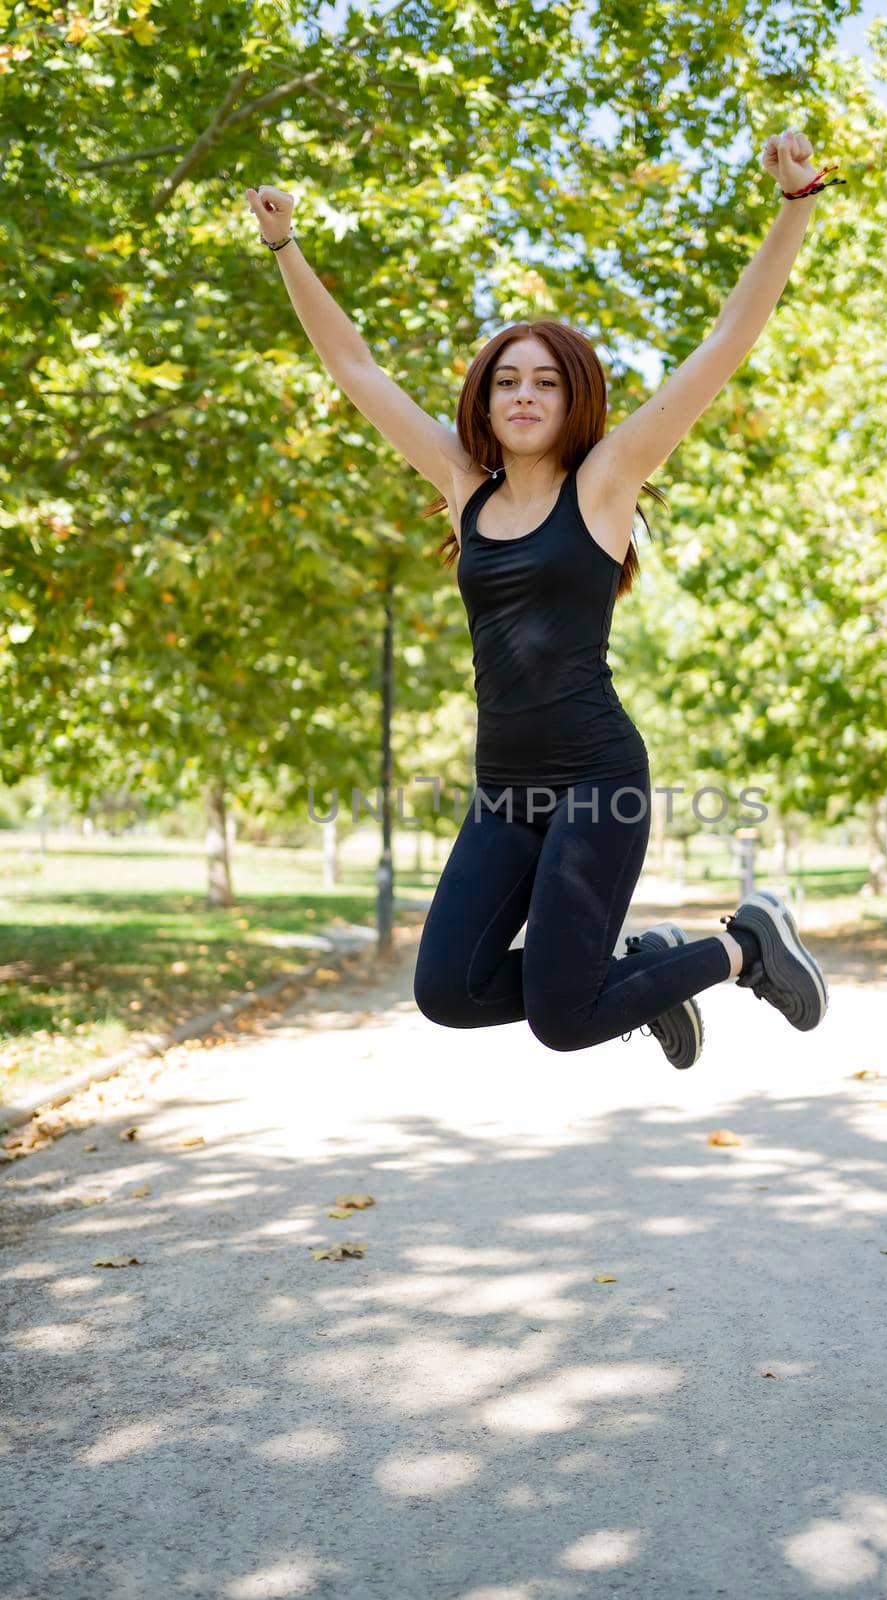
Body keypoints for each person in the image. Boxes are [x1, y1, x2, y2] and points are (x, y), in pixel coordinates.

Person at [245, 129, 840, 1069]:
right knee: (449, 990)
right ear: (482, 399)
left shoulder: (604, 483)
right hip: (503, 790)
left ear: (575, 401)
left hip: (596, 781)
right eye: (507, 380)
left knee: (564, 1020)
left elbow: (727, 341)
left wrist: (796, 202)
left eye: (546, 382)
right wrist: (286, 247)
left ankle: (740, 947)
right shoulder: (462, 484)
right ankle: (644, 971)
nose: (524, 395)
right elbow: (354, 369)